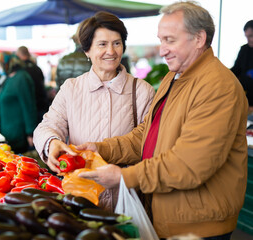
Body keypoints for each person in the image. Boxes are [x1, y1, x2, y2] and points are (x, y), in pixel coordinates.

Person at [62, 2, 247, 239]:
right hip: (169, 215)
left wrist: (124, 178)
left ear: (199, 38)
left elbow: (190, 163)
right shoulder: (175, 77)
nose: (162, 50)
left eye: (170, 40)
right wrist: (102, 148)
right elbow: (148, 135)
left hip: (198, 225)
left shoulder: (217, 87)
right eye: (161, 40)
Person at [33, 11, 155, 212]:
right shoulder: (72, 88)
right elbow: (47, 126)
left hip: (125, 197)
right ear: (87, 51)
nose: (111, 51)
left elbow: (148, 141)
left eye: (117, 43)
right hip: (80, 195)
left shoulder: (142, 91)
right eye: (102, 44)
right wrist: (52, 142)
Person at [0, 51, 38, 154]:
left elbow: (28, 106)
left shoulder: (21, 78)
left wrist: (30, 133)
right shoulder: (8, 78)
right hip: (8, 133)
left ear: (6, 64)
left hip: (18, 134)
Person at [16, 46, 49, 124]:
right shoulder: (37, 68)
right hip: (42, 105)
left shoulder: (21, 71)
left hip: (31, 108)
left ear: (19, 55)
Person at [231, 20, 253, 107]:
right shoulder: (244, 49)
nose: (249, 40)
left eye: (251, 36)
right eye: (247, 37)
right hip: (244, 93)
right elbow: (236, 69)